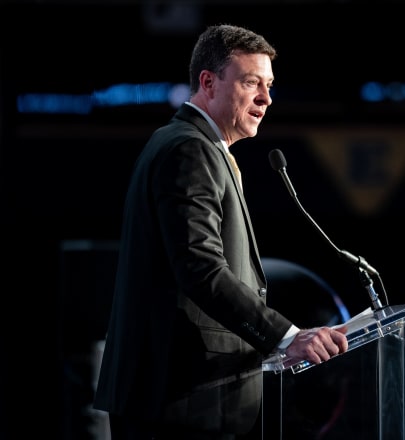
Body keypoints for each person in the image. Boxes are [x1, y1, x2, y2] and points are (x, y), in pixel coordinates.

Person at [93, 23, 349, 440]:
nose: (266, 98)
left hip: (185, 397)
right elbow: (199, 268)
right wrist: (284, 337)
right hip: (179, 402)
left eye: (269, 85)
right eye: (252, 83)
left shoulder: (197, 146)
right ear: (208, 83)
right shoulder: (189, 148)